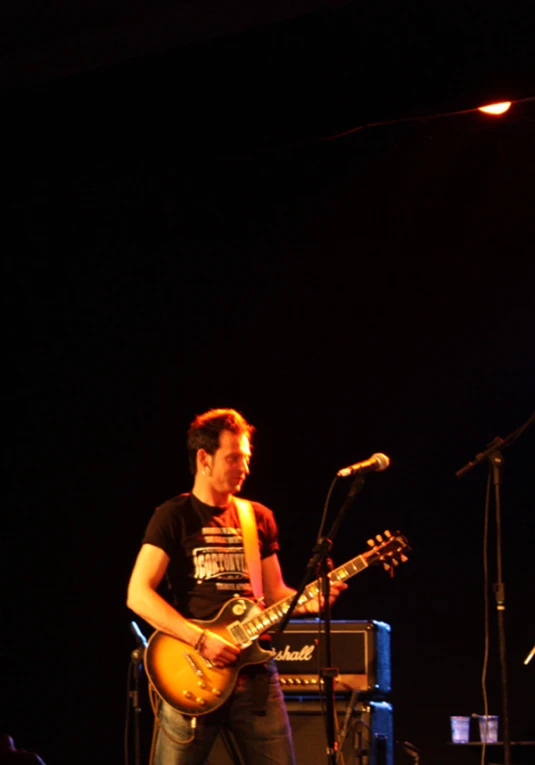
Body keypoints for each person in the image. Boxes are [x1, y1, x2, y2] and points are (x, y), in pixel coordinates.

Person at [127, 408, 347, 765]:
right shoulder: (173, 515)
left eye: (246, 458)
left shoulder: (257, 517)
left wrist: (309, 601)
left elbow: (275, 592)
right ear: (204, 458)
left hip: (256, 678)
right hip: (192, 671)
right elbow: (138, 594)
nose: (244, 468)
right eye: (233, 458)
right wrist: (201, 640)